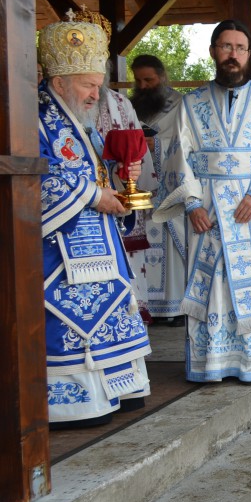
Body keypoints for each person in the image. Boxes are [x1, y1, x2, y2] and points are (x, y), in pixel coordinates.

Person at [153, 20, 251, 383]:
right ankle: (210, 363)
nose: (233, 54)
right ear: (214, 51)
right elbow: (178, 156)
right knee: (212, 285)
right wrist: (191, 204)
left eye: (240, 48)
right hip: (207, 213)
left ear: (248, 54)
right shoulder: (191, 103)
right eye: (226, 46)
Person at [37, 10, 151, 427]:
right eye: (87, 85)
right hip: (59, 254)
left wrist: (122, 182)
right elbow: (37, 179)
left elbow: (102, 175)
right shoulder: (31, 121)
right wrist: (94, 196)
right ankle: (75, 405)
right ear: (59, 83)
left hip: (102, 245)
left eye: (97, 85)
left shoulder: (85, 125)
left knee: (113, 311)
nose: (94, 95)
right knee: (72, 321)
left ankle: (119, 390)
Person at [94, 62, 160, 326]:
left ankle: (131, 325)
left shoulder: (120, 103)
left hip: (121, 200)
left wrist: (135, 171)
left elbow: (138, 147)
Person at [130, 55, 186, 324]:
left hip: (170, 192)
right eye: (138, 81)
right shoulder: (131, 108)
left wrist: (158, 145)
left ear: (162, 77)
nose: (143, 86)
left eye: (149, 80)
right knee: (146, 249)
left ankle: (175, 310)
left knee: (172, 254)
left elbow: (188, 144)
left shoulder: (181, 106)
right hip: (142, 189)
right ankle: (149, 308)